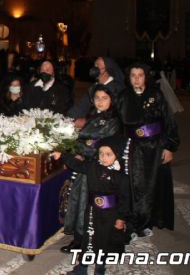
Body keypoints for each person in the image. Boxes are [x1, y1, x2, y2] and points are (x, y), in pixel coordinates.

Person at [52, 135, 130, 275]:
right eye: (101, 153)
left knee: (104, 241)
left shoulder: (121, 177)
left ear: (117, 155)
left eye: (108, 154)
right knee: (88, 238)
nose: (104, 157)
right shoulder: (93, 167)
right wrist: (63, 155)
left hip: (110, 214)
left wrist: (121, 218)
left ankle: (100, 269)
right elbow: (77, 164)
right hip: (93, 211)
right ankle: (82, 269)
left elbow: (125, 199)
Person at [117, 62, 180, 239]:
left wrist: (169, 146)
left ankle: (146, 222)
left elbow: (168, 121)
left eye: (140, 75)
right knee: (132, 185)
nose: (137, 79)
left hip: (155, 147)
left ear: (146, 77)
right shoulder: (123, 97)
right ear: (128, 78)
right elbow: (116, 124)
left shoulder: (156, 95)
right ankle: (132, 222)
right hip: (132, 147)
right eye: (133, 75)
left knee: (151, 185)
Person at [60, 85, 122, 254]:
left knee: (88, 206)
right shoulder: (95, 116)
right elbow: (84, 140)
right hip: (87, 166)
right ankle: (78, 238)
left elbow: (98, 148)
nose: (100, 101)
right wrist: (82, 144)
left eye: (104, 98)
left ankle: (84, 241)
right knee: (78, 200)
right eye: (97, 98)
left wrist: (79, 145)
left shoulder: (113, 121)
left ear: (112, 100)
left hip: (98, 169)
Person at [68, 57, 124, 129]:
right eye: (95, 65)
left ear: (107, 70)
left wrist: (87, 122)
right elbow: (82, 106)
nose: (94, 68)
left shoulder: (116, 89)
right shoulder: (94, 87)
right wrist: (69, 117)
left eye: (98, 66)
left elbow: (113, 116)